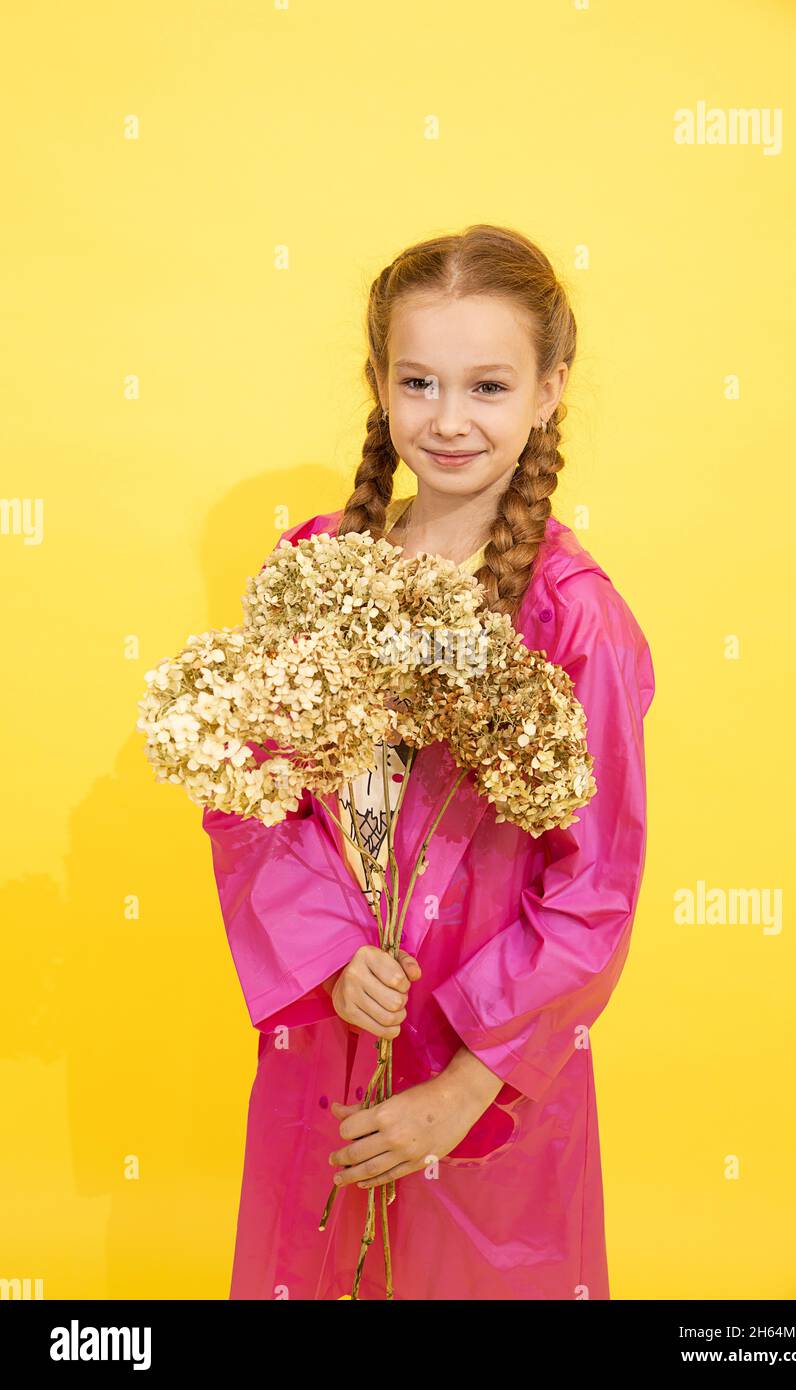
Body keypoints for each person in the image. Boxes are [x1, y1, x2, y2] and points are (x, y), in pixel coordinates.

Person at [202, 224, 655, 1300]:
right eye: (418, 381)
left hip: (485, 1069)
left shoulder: (573, 618)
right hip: (332, 1038)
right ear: (377, 383)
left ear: (549, 390)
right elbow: (251, 792)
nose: (449, 420)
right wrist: (322, 955)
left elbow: (593, 888)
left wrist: (462, 1085)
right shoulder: (314, 568)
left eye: (488, 385)